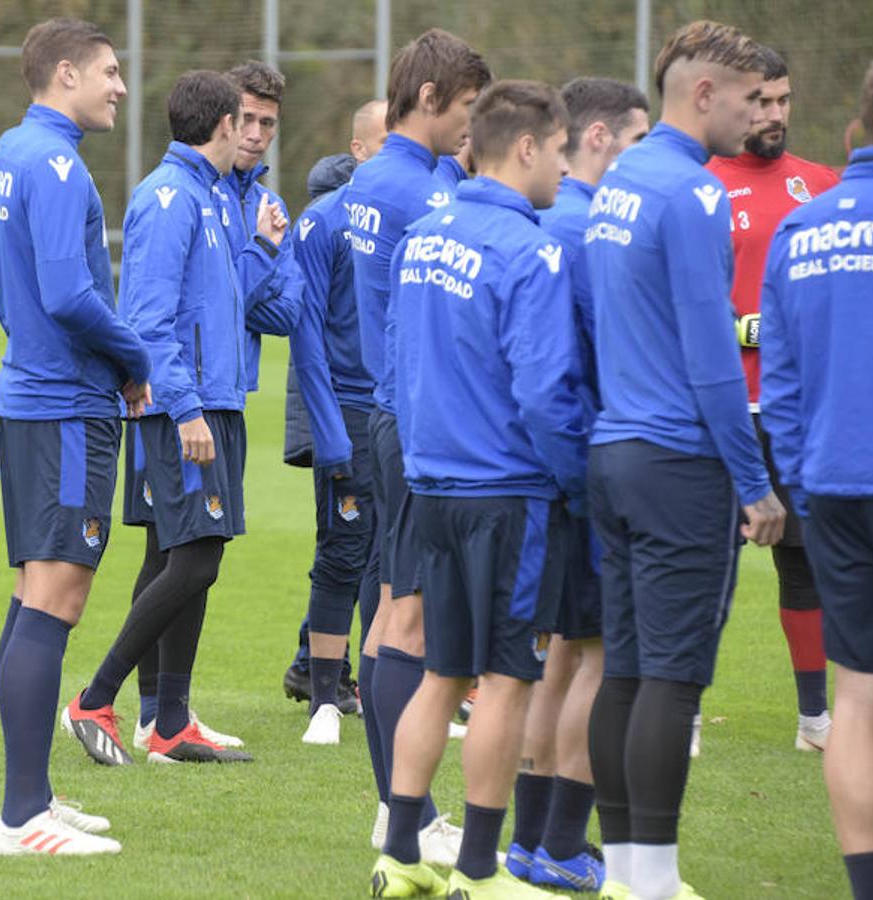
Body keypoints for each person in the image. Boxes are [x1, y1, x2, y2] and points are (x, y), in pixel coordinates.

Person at [584, 21, 786, 899]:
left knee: (625, 669)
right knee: (671, 675)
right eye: (748, 98)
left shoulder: (618, 180)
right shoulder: (695, 194)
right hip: (676, 462)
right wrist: (755, 482)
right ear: (703, 93)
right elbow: (713, 358)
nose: (757, 115)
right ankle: (655, 880)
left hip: (615, 449)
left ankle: (629, 871)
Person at [370, 79, 585, 899]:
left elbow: (397, 360)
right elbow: (542, 391)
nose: (564, 169)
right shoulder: (531, 249)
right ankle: (480, 871)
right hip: (506, 491)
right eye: (560, 151)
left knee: (441, 674)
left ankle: (398, 854)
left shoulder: (425, 233)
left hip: (433, 484)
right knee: (505, 680)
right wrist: (576, 483)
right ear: (526, 148)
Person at [64, 69, 282, 766]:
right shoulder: (169, 198)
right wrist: (185, 409)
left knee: (174, 554)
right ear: (222, 125)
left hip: (214, 399)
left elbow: (223, 303)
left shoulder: (213, 197)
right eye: (242, 120)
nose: (250, 132)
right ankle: (95, 698)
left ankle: (169, 723)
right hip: (187, 408)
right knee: (197, 557)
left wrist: (263, 250)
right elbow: (148, 321)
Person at [0, 18, 151, 856]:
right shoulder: (54, 163)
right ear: (64, 73)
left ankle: (34, 796)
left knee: (31, 595)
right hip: (63, 403)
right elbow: (68, 294)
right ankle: (21, 817)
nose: (119, 86)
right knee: (57, 599)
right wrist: (134, 354)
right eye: (109, 72)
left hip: (31, 396)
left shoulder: (10, 152)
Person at [345, 27, 491, 864]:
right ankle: (402, 814)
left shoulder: (380, 177)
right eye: (467, 109)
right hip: (418, 419)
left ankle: (397, 809)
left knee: (397, 613)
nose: (472, 128)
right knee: (407, 620)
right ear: (430, 98)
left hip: (388, 412)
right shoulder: (424, 196)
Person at [504, 77, 649, 892]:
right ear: (596, 138)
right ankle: (560, 842)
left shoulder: (540, 222)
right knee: (596, 658)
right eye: (634, 142)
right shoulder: (588, 227)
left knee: (558, 656)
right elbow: (589, 364)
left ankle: (533, 841)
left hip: (532, 472)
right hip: (579, 464)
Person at [760, 59, 873, 900]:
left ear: (853, 130)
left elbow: (784, 382)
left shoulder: (805, 227)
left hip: (833, 486)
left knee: (857, 698)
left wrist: (804, 486)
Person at [705, 46, 841, 754]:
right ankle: (686, 712)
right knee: (704, 566)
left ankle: (815, 718)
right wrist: (741, 327)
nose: (775, 113)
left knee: (806, 561)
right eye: (760, 100)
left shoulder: (822, 184)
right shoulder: (698, 185)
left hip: (795, 413)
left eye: (783, 99)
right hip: (719, 411)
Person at [281, 99, 389, 737]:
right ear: (357, 149)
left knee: (394, 555)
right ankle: (324, 695)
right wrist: (326, 433)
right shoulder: (323, 221)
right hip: (347, 410)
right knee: (344, 552)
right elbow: (307, 336)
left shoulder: (416, 214)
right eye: (382, 142)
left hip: (399, 409)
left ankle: (379, 686)